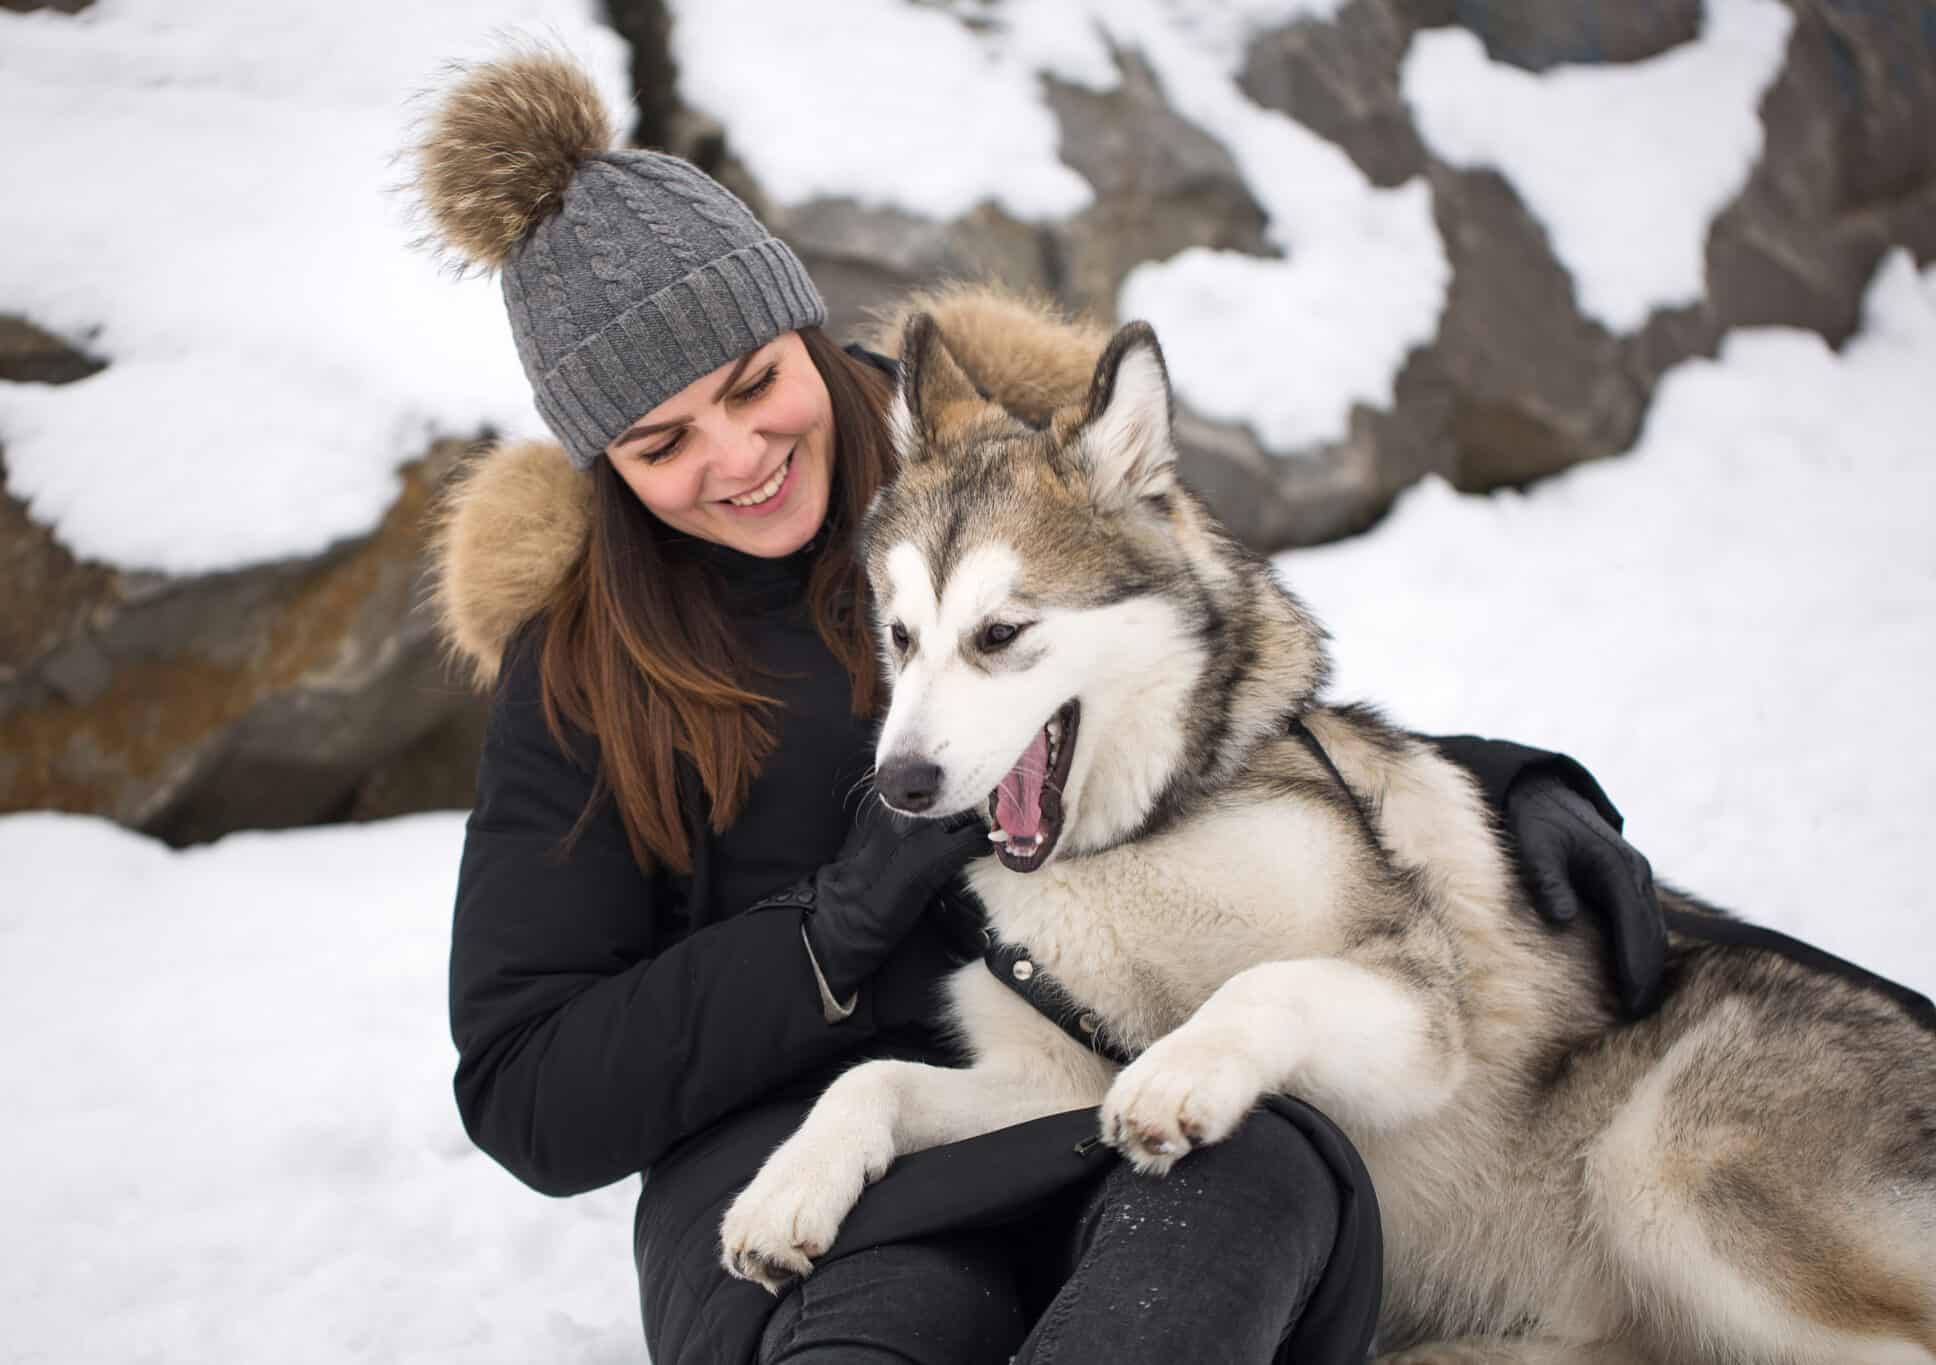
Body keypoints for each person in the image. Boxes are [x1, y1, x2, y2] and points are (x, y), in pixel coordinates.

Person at [411, 48, 1667, 1365]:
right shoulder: (584, 674)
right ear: (604, 464)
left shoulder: (1016, 476)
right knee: (887, 1331)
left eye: (750, 384)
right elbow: (527, 1084)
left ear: (800, 327)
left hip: (1109, 1078)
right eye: (662, 444)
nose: (736, 457)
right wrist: (825, 935)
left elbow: (1197, 698)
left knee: (1250, 1179)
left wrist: (1499, 786)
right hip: (812, 1165)